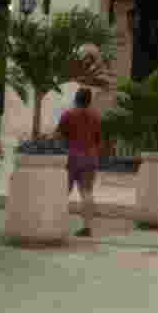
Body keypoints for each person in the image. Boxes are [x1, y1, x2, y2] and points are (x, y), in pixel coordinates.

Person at [57, 87, 102, 238]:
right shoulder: (96, 117)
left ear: (76, 98)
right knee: (87, 193)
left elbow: (59, 136)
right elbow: (98, 139)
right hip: (90, 157)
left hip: (71, 158)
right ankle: (87, 227)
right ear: (89, 101)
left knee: (63, 192)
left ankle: (58, 224)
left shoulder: (68, 115)